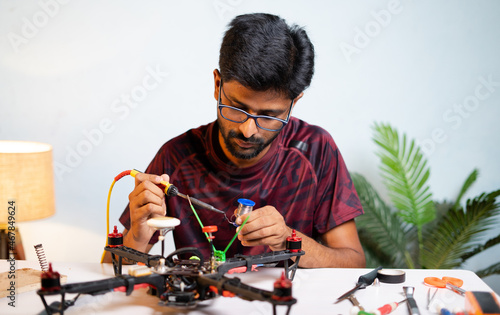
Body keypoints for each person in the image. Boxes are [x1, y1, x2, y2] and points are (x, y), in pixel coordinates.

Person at [114, 13, 365, 268]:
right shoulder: (176, 157)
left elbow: (354, 264)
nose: (248, 130)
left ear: (293, 103)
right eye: (237, 108)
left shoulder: (315, 150)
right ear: (217, 84)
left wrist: (287, 240)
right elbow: (111, 271)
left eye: (269, 116)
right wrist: (138, 234)